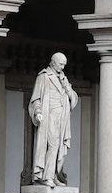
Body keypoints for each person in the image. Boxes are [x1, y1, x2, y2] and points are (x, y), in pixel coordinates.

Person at [27, 52, 78, 186]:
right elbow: (36, 98)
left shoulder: (63, 79)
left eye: (64, 65)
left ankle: (53, 174)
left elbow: (74, 98)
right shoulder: (44, 77)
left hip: (62, 118)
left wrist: (66, 86)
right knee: (53, 145)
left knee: (59, 146)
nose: (62, 67)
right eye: (61, 64)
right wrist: (38, 111)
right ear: (53, 62)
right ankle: (46, 176)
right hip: (49, 116)